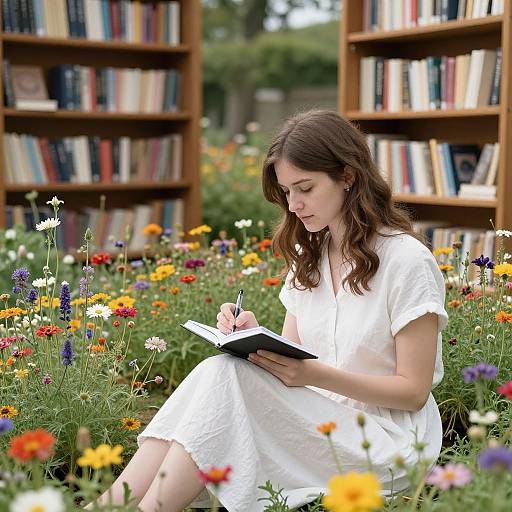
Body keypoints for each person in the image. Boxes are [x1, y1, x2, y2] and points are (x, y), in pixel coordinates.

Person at [88, 110, 448, 512]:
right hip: (318, 423)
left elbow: (414, 392)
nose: (293, 205)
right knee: (220, 370)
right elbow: (293, 359)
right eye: (286, 192)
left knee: (222, 376)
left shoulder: (406, 261)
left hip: (385, 444)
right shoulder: (308, 256)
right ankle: (109, 506)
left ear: (348, 176)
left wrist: (312, 374)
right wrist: (253, 337)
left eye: (305, 188)